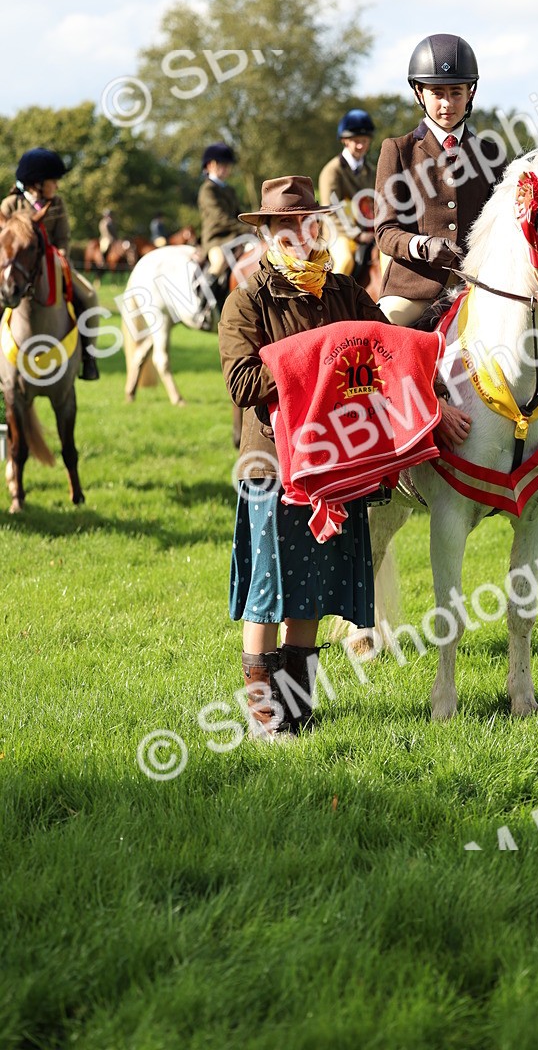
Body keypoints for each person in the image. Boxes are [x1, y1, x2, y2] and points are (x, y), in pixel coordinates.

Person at [218, 175, 469, 738]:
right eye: (284, 228)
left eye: (307, 225)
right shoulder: (245, 300)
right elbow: (243, 382)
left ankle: (297, 707)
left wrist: (433, 399)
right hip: (275, 464)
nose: (298, 237)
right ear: (267, 235)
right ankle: (263, 712)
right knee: (269, 586)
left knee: (311, 585)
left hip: (339, 459)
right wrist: (322, 361)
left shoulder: (345, 291)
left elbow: (389, 352)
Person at [375, 33, 507, 326]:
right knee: (382, 337)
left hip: (476, 289)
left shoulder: (491, 154)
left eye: (456, 92)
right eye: (437, 93)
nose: (448, 103)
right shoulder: (398, 150)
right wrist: (422, 245)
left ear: (470, 93)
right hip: (413, 292)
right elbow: (385, 231)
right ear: (419, 94)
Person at [0, 147, 100, 380]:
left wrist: (59, 257)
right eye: (53, 180)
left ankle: (89, 358)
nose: (56, 185)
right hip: (16, 270)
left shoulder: (57, 204)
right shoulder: (10, 205)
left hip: (54, 266)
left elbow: (63, 238)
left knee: (89, 295)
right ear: (37, 182)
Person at [318, 108, 377, 282]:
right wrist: (357, 234)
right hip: (339, 232)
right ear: (344, 140)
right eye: (355, 141)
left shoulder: (371, 171)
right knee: (345, 261)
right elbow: (331, 210)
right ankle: (331, 303)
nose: (361, 145)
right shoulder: (332, 170)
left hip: (368, 231)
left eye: (365, 140)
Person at [197, 142, 244, 304]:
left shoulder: (229, 190)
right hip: (216, 238)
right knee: (220, 262)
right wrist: (246, 228)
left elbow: (239, 214)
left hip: (235, 236)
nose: (226, 169)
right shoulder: (207, 190)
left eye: (228, 165)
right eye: (222, 165)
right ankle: (203, 304)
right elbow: (220, 218)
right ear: (210, 165)